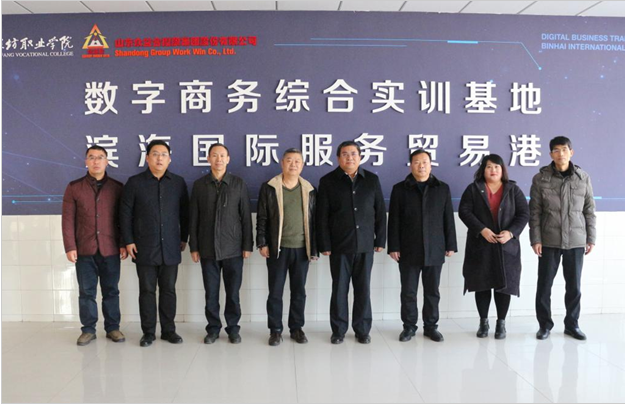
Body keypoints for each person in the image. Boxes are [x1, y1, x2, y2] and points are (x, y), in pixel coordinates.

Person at [120, 140, 189, 347]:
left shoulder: (178, 183)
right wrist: (128, 240)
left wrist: (184, 238)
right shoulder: (134, 183)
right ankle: (148, 332)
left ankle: (169, 331)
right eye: (155, 154)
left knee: (169, 290)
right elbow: (125, 214)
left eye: (164, 154)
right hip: (144, 247)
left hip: (171, 247)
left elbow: (185, 213)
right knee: (147, 291)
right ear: (147, 158)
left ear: (169, 159)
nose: (159, 158)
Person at [316, 140, 387, 344]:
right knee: (339, 289)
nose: (350, 157)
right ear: (338, 158)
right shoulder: (328, 181)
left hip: (365, 244)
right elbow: (322, 216)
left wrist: (380, 239)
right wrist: (324, 244)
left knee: (363, 289)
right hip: (339, 246)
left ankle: (362, 330)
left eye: (353, 154)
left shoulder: (372, 180)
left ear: (360, 157)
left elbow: (380, 212)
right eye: (345, 154)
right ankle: (338, 330)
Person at [530, 136, 596, 340]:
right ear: (551, 154)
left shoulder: (582, 177)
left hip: (576, 240)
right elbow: (535, 212)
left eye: (565, 149)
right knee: (544, 286)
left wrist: (591, 238)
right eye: (556, 150)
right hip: (549, 240)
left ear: (571, 152)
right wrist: (536, 239)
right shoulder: (540, 179)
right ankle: (544, 325)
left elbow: (589, 210)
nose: (561, 154)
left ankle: (572, 325)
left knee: (574, 286)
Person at [388, 149, 457, 342]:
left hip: (435, 248)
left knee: (432, 292)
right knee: (408, 292)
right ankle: (409, 327)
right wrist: (393, 246)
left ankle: (431, 327)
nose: (421, 166)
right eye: (417, 162)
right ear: (411, 165)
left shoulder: (442, 188)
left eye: (425, 162)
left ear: (431, 165)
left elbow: (448, 219)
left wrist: (450, 244)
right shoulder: (400, 189)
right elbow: (394, 220)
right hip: (408, 249)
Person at [458, 154, 529, 339]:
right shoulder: (473, 189)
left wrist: (511, 233)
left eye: (497, 166)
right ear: (483, 170)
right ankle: (483, 322)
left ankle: (501, 324)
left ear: (502, 169)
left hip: (506, 246)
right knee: (482, 284)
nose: (493, 170)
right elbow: (464, 211)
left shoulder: (513, 189)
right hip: (481, 245)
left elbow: (524, 214)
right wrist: (481, 229)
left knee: (503, 285)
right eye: (489, 167)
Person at [62, 145, 127, 346]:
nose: (96, 161)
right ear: (86, 162)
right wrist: (70, 246)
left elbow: (123, 219)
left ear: (107, 161)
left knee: (111, 291)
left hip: (110, 248)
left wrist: (123, 244)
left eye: (100, 157)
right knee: (86, 292)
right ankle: (88, 330)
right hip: (84, 249)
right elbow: (67, 220)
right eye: (92, 157)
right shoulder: (74, 187)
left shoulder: (117, 187)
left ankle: (113, 328)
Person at [189, 143, 253, 344]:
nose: (218, 159)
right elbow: (194, 218)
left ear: (228, 159)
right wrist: (194, 246)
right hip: (207, 249)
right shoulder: (200, 185)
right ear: (208, 159)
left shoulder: (238, 184)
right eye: (214, 155)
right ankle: (213, 329)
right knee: (211, 293)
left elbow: (245, 217)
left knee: (233, 293)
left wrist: (247, 245)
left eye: (222, 155)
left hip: (233, 248)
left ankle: (233, 329)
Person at [256, 148, 317, 346]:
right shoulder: (270, 187)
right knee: (275, 292)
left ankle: (296, 328)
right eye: (289, 160)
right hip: (277, 248)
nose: (293, 164)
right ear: (282, 163)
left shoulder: (309, 189)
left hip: (302, 249)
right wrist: (262, 243)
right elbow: (262, 217)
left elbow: (315, 222)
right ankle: (275, 330)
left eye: (297, 161)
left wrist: (314, 249)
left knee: (299, 291)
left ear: (302, 165)